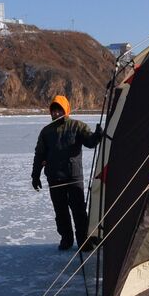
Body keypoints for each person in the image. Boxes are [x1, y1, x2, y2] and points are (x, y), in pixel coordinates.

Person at [31, 94, 103, 250]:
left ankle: (84, 241)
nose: (56, 113)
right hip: (55, 179)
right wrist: (35, 175)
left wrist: (97, 136)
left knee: (79, 211)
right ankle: (66, 239)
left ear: (66, 110)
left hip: (73, 177)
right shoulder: (46, 132)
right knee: (61, 212)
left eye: (59, 110)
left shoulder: (77, 126)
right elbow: (39, 154)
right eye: (53, 110)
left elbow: (90, 142)